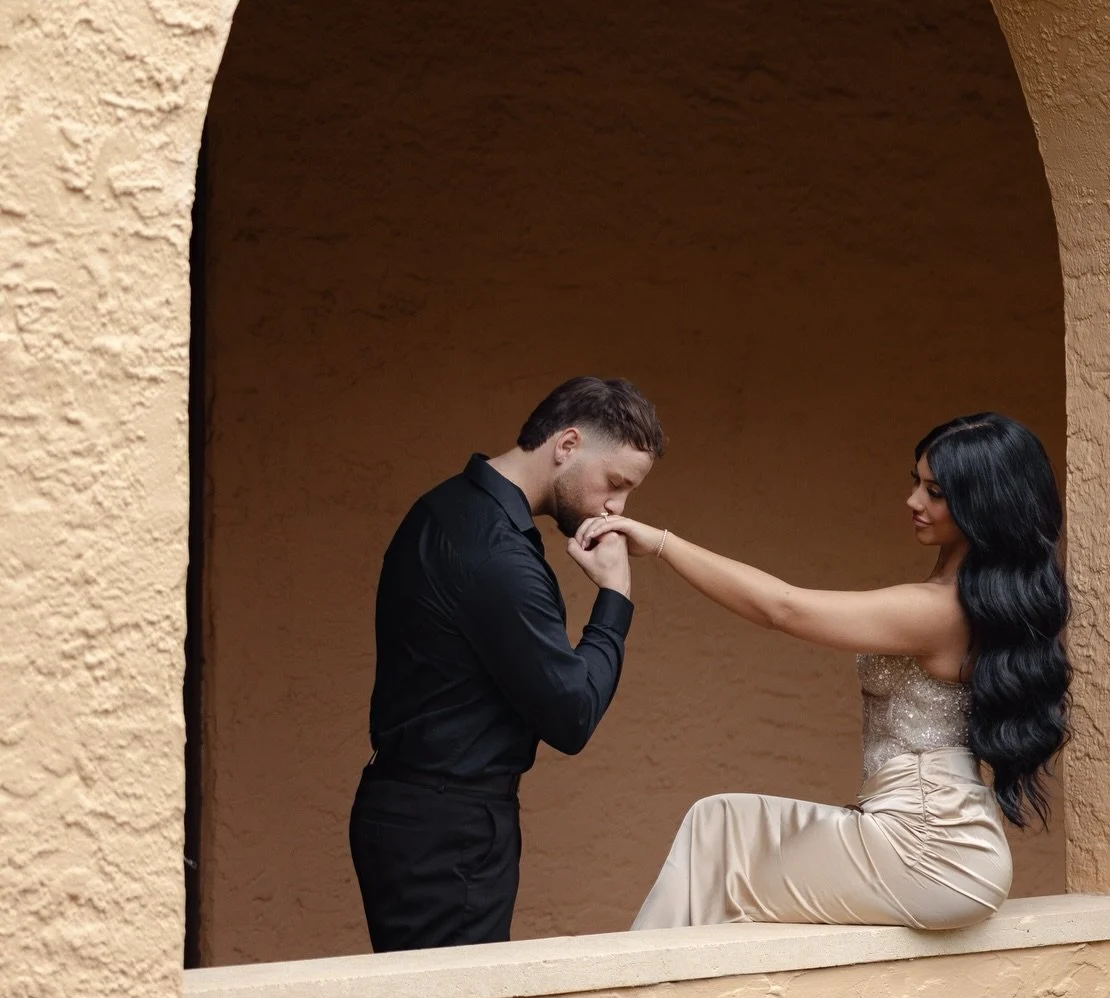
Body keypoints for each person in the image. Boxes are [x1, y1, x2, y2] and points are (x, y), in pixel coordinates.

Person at [579, 412, 1069, 933]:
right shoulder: (972, 604)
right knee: (716, 823)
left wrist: (658, 543)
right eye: (916, 482)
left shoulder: (936, 611)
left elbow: (783, 609)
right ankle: (661, 997)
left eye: (935, 491)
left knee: (719, 850)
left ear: (982, 506)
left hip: (930, 850)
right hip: (937, 839)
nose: (913, 502)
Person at [349, 376, 664, 951]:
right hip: (449, 832)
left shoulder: (442, 508)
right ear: (566, 446)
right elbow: (571, 715)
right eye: (615, 484)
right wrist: (615, 597)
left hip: (416, 814)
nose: (617, 508)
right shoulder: (497, 552)